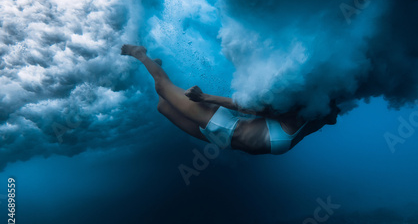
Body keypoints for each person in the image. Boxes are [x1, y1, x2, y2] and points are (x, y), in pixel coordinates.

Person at [121, 44, 341, 155]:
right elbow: (252, 109)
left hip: (220, 140)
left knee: (163, 106)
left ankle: (156, 66)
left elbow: (333, 115)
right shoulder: (301, 115)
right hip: (221, 125)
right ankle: (139, 53)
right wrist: (204, 98)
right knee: (162, 86)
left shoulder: (317, 115)